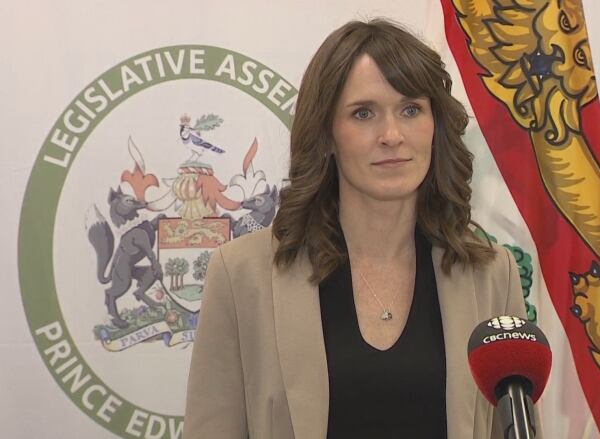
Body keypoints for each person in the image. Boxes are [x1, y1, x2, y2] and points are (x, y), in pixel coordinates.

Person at [183, 18, 526, 439]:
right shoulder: (242, 275)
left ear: (435, 127)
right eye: (364, 113)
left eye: (411, 109)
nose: (392, 135)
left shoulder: (491, 275)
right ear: (327, 133)